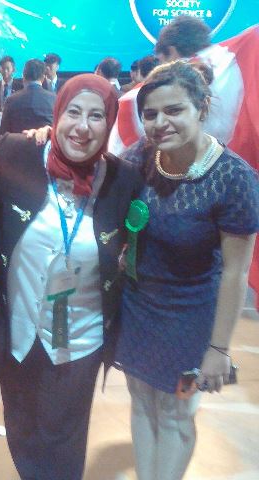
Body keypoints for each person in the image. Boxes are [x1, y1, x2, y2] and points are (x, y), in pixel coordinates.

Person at [0, 74, 142, 480]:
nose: (82, 126)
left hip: (81, 340)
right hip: (20, 334)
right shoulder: (17, 154)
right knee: (22, 433)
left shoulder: (124, 179)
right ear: (56, 115)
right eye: (73, 112)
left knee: (63, 445)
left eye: (96, 116)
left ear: (109, 124)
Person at [114, 60, 259, 480]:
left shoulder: (234, 178)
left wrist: (219, 349)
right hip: (138, 308)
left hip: (192, 316)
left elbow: (235, 273)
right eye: (151, 114)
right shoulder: (141, 157)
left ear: (201, 107)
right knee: (142, 402)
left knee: (176, 413)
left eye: (174, 110)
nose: (161, 122)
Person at [0, 58, 55, 134]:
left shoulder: (11, 100)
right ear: (43, 77)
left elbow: (3, 132)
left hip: (18, 141)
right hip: (46, 141)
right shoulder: (54, 99)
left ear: (23, 76)